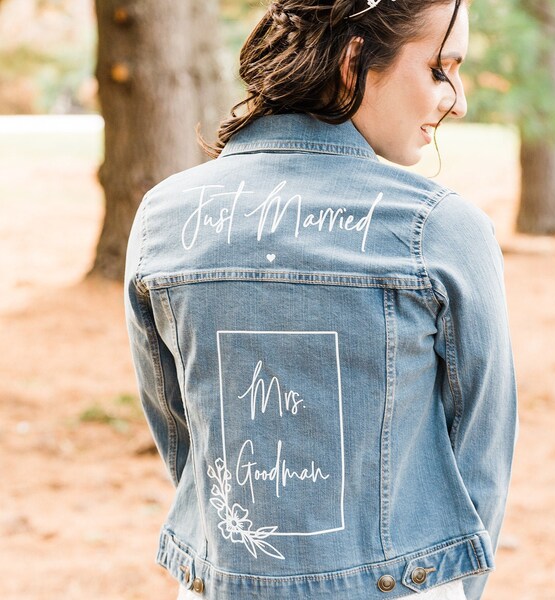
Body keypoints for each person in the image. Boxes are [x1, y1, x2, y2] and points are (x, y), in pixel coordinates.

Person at [124, 1, 518, 599]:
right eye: (440, 68)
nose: (458, 99)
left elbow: (183, 436)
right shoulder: (439, 227)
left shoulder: (163, 216)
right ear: (354, 60)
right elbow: (481, 455)